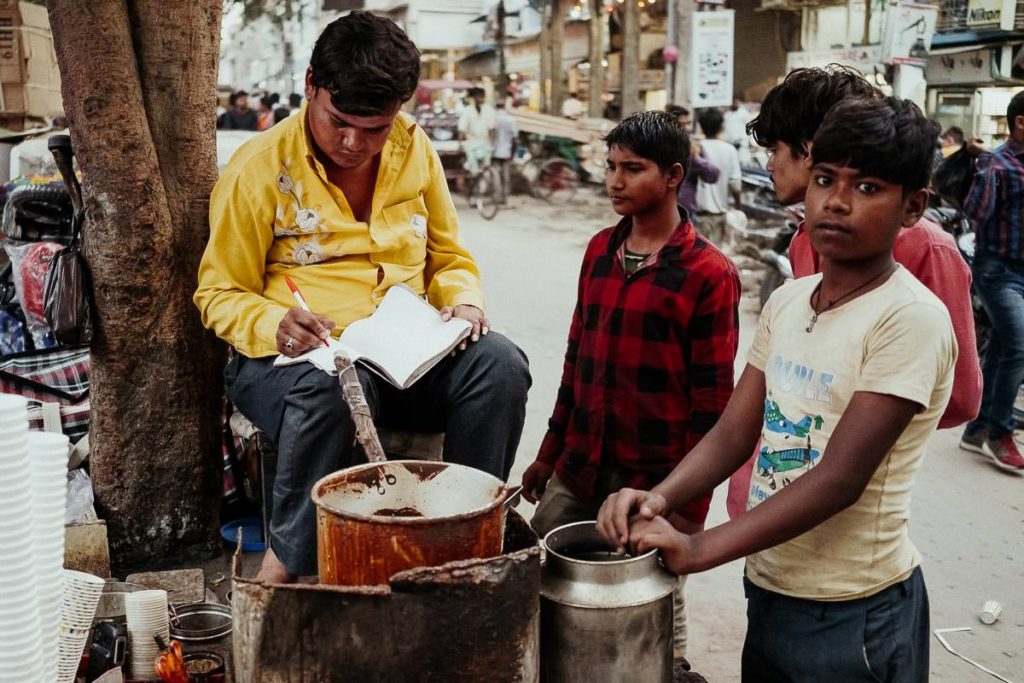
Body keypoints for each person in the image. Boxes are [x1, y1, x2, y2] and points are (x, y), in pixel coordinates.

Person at [598, 96, 956, 682]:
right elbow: (736, 432)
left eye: (867, 188)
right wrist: (659, 497)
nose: (836, 201)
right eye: (824, 179)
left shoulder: (909, 318)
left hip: (855, 608)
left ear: (912, 206)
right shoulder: (791, 299)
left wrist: (700, 548)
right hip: (771, 586)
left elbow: (839, 479)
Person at [194, 11, 531, 583]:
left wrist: (464, 301)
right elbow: (218, 291)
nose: (354, 143)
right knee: (334, 389)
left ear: (401, 108)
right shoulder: (257, 171)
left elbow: (449, 256)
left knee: (500, 365)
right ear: (310, 87)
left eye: (374, 130)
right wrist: (275, 321)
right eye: (339, 122)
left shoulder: (414, 150)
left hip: (405, 359)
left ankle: (465, 537)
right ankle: (288, 572)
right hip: (293, 364)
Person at [521, 111, 741, 664]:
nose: (615, 181)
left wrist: (689, 507)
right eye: (611, 166)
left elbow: (713, 405)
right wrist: (547, 459)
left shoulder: (709, 273)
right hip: (579, 464)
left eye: (632, 169)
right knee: (537, 579)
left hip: (654, 479)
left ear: (672, 176)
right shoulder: (600, 249)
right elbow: (577, 361)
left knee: (652, 606)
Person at [725, 65, 981, 518]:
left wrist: (850, 429)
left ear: (810, 148)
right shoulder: (805, 241)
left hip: (843, 510)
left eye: (776, 148)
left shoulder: (926, 250)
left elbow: (958, 396)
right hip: (766, 496)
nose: (768, 163)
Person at [959, 91, 1024, 472]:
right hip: (996, 270)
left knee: (1003, 346)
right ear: (1020, 122)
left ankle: (977, 428)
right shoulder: (996, 165)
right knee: (1018, 346)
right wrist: (982, 170)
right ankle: (1000, 432)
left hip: (1020, 271)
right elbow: (974, 213)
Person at [666, 104, 720, 231]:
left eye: (688, 123)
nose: (687, 128)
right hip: (659, 217)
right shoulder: (655, 148)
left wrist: (696, 158)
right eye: (682, 124)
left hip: (687, 216)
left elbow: (712, 176)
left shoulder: (695, 147)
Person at [695, 108, 742, 246]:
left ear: (701, 127)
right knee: (714, 259)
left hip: (694, 215)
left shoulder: (694, 148)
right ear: (721, 127)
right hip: (718, 215)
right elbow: (736, 184)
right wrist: (738, 208)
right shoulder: (729, 150)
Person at [458, 86, 495, 176]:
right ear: (474, 97)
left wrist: (492, 142)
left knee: (487, 165)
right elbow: (462, 129)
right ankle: (473, 177)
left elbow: (492, 128)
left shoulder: (489, 110)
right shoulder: (467, 111)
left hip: (485, 143)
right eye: (477, 96)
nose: (480, 98)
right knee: (473, 168)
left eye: (481, 96)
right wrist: (460, 142)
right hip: (471, 143)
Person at [492, 100, 518, 204]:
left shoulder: (494, 119)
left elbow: (491, 133)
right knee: (505, 175)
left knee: (495, 175)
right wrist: (513, 152)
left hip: (494, 151)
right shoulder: (511, 120)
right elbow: (515, 138)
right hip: (506, 151)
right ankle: (505, 197)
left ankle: (496, 196)